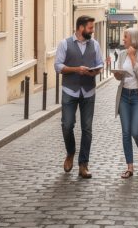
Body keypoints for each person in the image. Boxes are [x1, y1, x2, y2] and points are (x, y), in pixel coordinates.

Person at [54, 16, 104, 178]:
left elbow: (100, 64)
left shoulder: (94, 44)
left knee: (87, 129)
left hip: (89, 92)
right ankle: (70, 152)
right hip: (70, 91)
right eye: (90, 28)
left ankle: (83, 164)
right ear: (81, 28)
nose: (92, 30)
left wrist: (95, 71)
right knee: (67, 125)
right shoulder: (65, 44)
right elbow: (58, 66)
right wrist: (77, 70)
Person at [113, 28, 138, 179]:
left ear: (133, 39)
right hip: (124, 95)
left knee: (135, 131)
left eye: (125, 37)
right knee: (125, 132)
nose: (123, 39)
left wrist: (132, 57)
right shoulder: (122, 53)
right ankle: (129, 167)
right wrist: (117, 74)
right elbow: (120, 76)